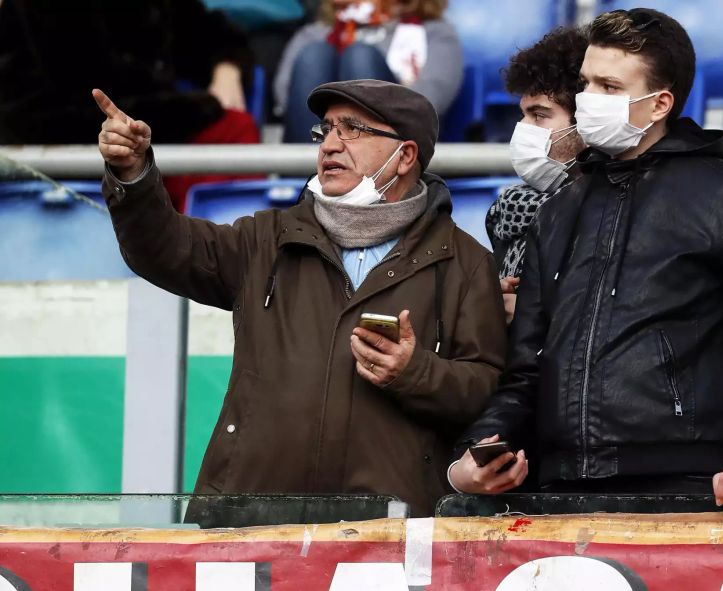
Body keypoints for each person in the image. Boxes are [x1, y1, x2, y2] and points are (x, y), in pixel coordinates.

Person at [448, 8, 723, 510]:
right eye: (585, 84)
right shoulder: (557, 206)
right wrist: (478, 450)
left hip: (682, 487)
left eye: (609, 87)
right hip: (558, 489)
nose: (587, 100)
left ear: (659, 102)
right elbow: (525, 371)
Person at [93, 79, 506, 518]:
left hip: (385, 536)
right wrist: (134, 175)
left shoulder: (465, 263)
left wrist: (414, 372)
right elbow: (163, 250)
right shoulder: (265, 239)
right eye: (325, 130)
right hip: (250, 518)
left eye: (353, 130)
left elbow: (486, 389)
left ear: (405, 156)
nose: (330, 145)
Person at [0, 0, 260, 213]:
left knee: (234, 129)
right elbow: (30, 116)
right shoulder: (27, 12)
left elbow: (206, 33)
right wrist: (190, 111)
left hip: (153, 139)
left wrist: (227, 66)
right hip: (73, 162)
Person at [487, 27, 588, 325]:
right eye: (523, 115)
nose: (523, 128)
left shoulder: (606, 213)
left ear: (585, 121)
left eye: (539, 115)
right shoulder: (507, 211)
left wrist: (531, 314)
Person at [274, 0, 462, 142]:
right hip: (314, 141)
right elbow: (286, 97)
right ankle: (316, 166)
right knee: (315, 55)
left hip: (394, 143)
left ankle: (361, 159)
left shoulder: (434, 32)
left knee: (360, 56)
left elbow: (427, 104)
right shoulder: (314, 34)